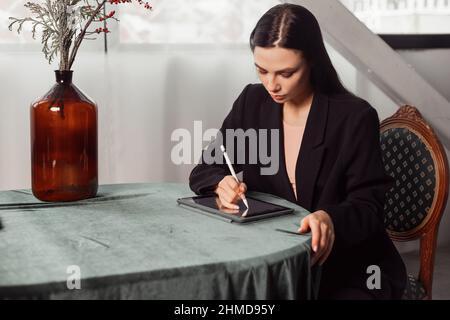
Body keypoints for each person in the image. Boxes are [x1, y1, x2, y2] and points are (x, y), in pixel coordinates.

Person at [189, 3, 406, 299]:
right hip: (274, 261)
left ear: (313, 62)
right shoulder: (252, 102)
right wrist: (220, 184)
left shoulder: (354, 116)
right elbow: (206, 168)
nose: (271, 84)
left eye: (286, 73)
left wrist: (330, 219)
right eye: (262, 70)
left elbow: (368, 206)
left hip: (350, 267)